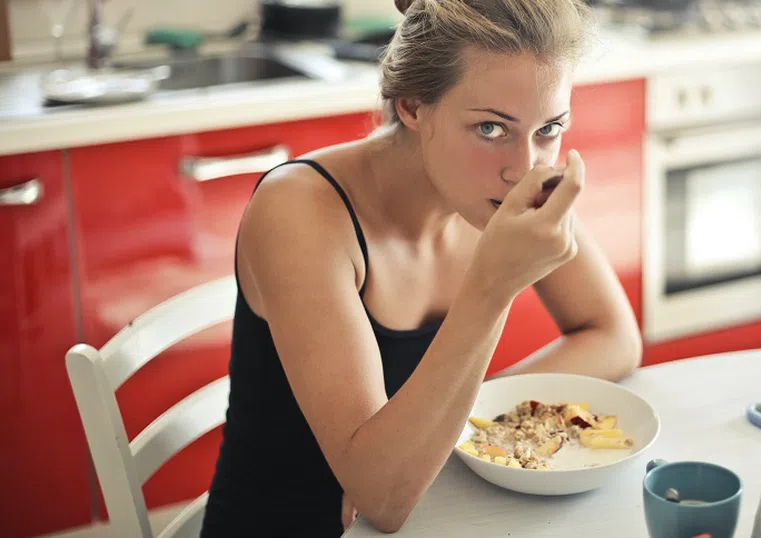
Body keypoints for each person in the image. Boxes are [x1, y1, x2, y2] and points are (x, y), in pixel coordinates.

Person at [200, 0, 642, 535]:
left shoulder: (503, 188)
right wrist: (492, 288)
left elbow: (614, 336)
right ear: (412, 106)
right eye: (489, 129)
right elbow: (381, 499)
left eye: (549, 129)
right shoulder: (301, 211)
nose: (525, 169)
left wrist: (459, 425)